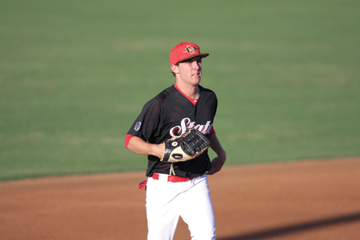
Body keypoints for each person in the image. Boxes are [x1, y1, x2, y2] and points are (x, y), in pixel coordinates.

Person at [125, 42, 226, 240]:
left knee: (206, 236)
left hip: (197, 181)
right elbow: (131, 140)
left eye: (198, 61)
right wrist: (158, 150)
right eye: (188, 62)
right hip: (163, 186)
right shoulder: (160, 104)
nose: (196, 66)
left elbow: (206, 128)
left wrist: (220, 153)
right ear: (175, 68)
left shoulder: (209, 98)